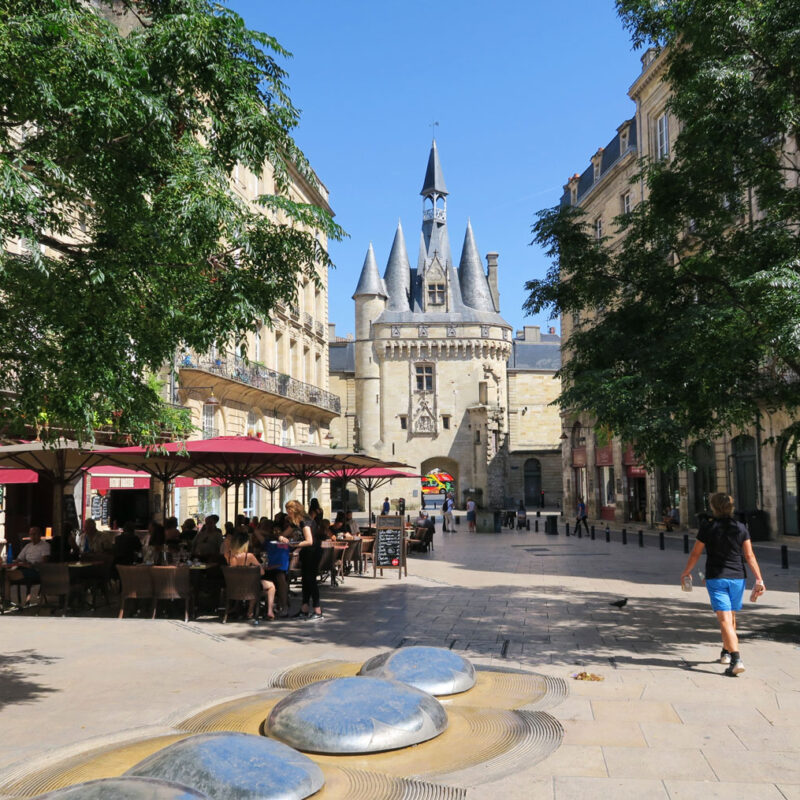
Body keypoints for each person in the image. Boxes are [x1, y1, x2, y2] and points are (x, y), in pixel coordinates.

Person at [681, 492, 765, 677]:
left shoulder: (708, 527)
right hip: (737, 578)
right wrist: (759, 578)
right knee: (731, 616)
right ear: (731, 507)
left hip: (716, 577)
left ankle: (736, 659)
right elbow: (749, 556)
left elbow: (696, 553)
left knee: (724, 619)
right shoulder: (741, 527)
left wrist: (686, 572)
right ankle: (726, 652)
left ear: (714, 507)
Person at [287, 499, 324, 621]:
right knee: (305, 580)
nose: (288, 515)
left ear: (294, 511)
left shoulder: (304, 521)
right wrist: (281, 536)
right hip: (307, 553)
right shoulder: (298, 522)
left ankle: (318, 611)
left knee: (311, 580)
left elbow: (309, 541)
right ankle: (304, 608)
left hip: (312, 553)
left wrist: (295, 546)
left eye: (289, 512)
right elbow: (286, 532)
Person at [225, 530, 275, 620]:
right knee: (270, 586)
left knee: (252, 583)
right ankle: (263, 611)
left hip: (233, 586)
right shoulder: (249, 556)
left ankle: (241, 609)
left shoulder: (227, 555)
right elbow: (262, 572)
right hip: (249, 587)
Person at [15, 526, 50, 605]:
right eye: (31, 534)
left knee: (9, 575)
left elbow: (45, 562)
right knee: (6, 575)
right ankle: (6, 599)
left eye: (35, 534)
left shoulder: (45, 545)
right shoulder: (28, 546)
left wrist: (33, 565)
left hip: (37, 571)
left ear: (40, 535)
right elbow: (19, 558)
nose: (33, 536)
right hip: (25, 568)